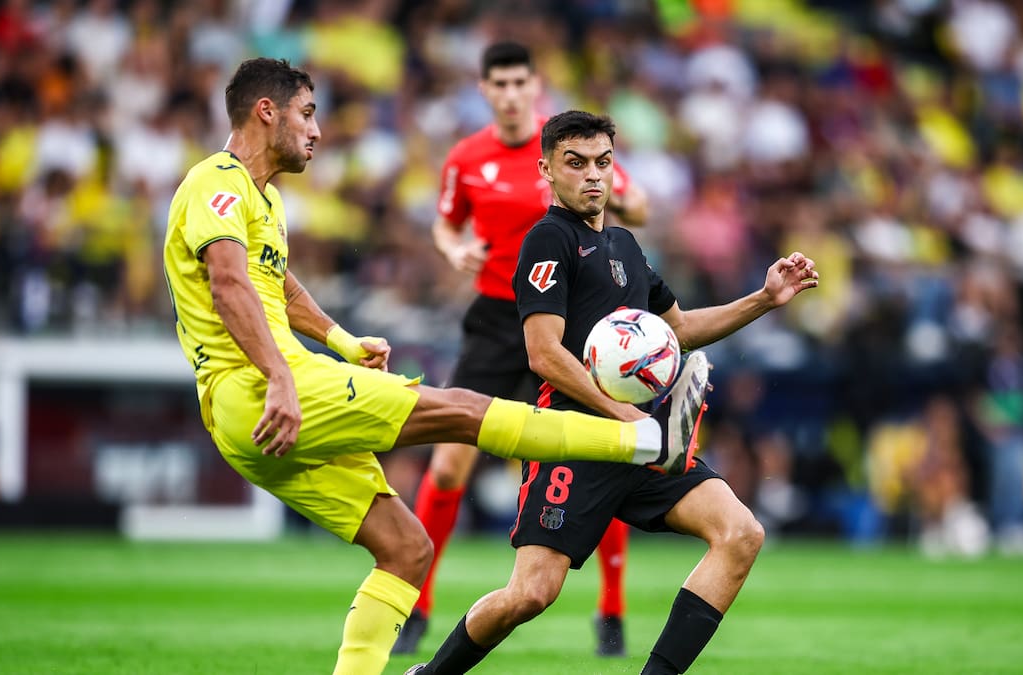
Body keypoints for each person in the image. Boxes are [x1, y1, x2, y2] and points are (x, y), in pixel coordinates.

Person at [162, 59, 704, 675]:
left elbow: (272, 282)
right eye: (308, 114)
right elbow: (229, 282)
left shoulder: (266, 202)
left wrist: (340, 339)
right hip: (266, 389)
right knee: (461, 412)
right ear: (267, 111)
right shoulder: (216, 183)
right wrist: (283, 378)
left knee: (406, 549)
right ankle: (642, 438)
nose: (317, 131)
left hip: (253, 416)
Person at [407, 111, 819, 674]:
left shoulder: (626, 245)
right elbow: (544, 354)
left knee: (741, 533)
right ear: (547, 170)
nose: (593, 176)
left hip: (641, 440)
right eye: (576, 163)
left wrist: (764, 299)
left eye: (603, 162)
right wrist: (624, 415)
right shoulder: (548, 240)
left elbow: (680, 328)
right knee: (531, 593)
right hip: (574, 440)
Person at [395, 41, 649, 658]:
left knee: (600, 453)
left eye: (519, 82)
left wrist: (619, 198)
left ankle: (610, 611)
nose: (510, 94)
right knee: (450, 464)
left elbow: (632, 201)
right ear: (484, 90)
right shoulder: (466, 158)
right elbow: (446, 221)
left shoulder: (569, 149)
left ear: (534, 84)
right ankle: (417, 608)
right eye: (498, 84)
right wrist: (453, 249)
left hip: (572, 323)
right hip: (495, 322)